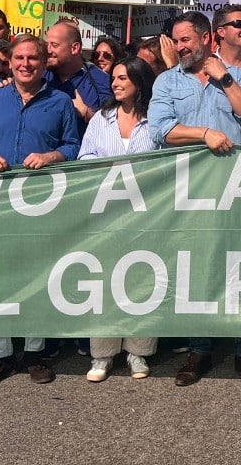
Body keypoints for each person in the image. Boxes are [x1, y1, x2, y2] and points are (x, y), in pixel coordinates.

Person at [148, 11, 241, 387]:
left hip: (234, 189)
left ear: (205, 38)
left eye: (186, 40)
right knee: (196, 267)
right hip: (188, 191)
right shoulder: (167, 81)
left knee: (237, 265)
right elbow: (161, 130)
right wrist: (204, 133)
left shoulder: (234, 75)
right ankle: (200, 347)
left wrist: (225, 78)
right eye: (176, 41)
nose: (180, 47)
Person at [0, 34, 81, 388]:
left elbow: (74, 146)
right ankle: (0, 355)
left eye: (33, 58)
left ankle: (34, 351)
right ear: (10, 60)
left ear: (45, 61)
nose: (25, 64)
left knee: (36, 275)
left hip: (41, 202)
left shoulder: (61, 102)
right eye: (19, 57)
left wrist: (51, 157)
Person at [78, 56, 160, 381]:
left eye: (123, 77)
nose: (115, 83)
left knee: (142, 279)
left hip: (147, 212)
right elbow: (85, 156)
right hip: (107, 213)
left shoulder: (156, 118)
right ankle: (102, 354)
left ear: (139, 82)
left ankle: (138, 352)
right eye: (113, 78)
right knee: (105, 281)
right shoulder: (102, 118)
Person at [45, 20, 111, 132]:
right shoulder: (39, 76)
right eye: (46, 45)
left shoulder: (100, 80)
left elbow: (114, 125)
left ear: (74, 48)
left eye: (54, 45)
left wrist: (87, 113)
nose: (48, 50)